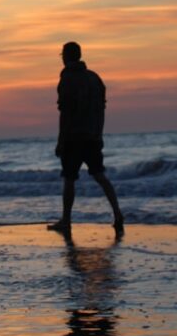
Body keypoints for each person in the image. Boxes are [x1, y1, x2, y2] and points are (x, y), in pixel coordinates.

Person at [48, 41, 124, 237]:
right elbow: (101, 110)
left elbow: (65, 114)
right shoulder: (94, 78)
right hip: (92, 135)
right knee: (99, 175)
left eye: (62, 55)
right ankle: (117, 213)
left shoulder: (67, 80)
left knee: (69, 179)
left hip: (73, 137)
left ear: (66, 56)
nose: (62, 58)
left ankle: (66, 221)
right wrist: (99, 133)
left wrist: (60, 140)